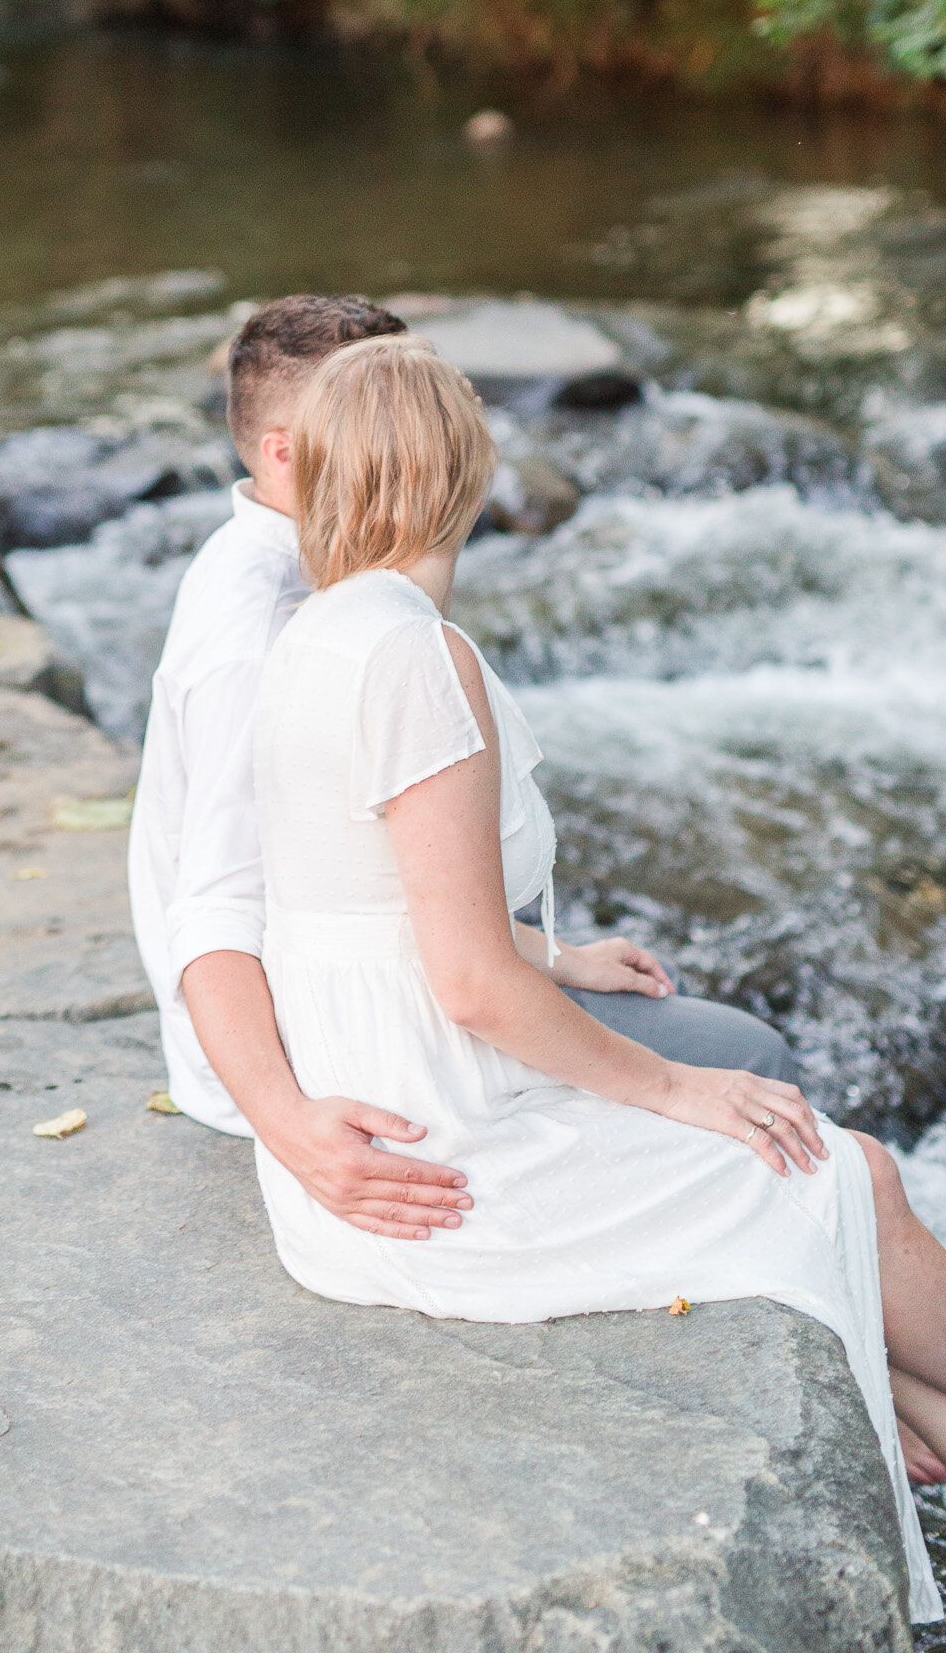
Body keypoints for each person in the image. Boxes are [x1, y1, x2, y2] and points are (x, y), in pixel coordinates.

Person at [251, 335, 946, 1625]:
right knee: (839, 1167)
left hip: (383, 1106)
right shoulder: (415, 653)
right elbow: (464, 978)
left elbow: (377, 904)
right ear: (461, 466)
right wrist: (675, 1086)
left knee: (810, 1169)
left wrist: (558, 959)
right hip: (442, 1153)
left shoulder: (313, 633)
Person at [128, 292, 800, 1243]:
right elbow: (218, 910)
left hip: (378, 987)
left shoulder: (331, 582)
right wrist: (291, 1129)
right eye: (376, 415)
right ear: (288, 452)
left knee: (697, 1038)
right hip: (335, 1058)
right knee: (750, 1058)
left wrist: (553, 958)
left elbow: (364, 875)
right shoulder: (266, 627)